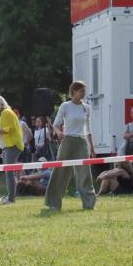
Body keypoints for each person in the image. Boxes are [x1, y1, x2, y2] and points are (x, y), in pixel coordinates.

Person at [44, 81, 97, 212]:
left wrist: (92, 147)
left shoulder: (86, 107)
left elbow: (88, 129)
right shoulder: (65, 106)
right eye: (81, 91)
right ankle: (54, 203)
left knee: (85, 173)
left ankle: (89, 204)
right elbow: (56, 125)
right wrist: (59, 132)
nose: (83, 93)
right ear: (73, 92)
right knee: (60, 171)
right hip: (68, 140)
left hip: (82, 142)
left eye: (84, 91)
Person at [0, 95, 24, 204]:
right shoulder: (6, 113)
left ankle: (11, 199)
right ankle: (10, 197)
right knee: (8, 173)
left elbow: (9, 128)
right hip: (8, 147)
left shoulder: (6, 113)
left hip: (12, 146)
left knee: (9, 173)